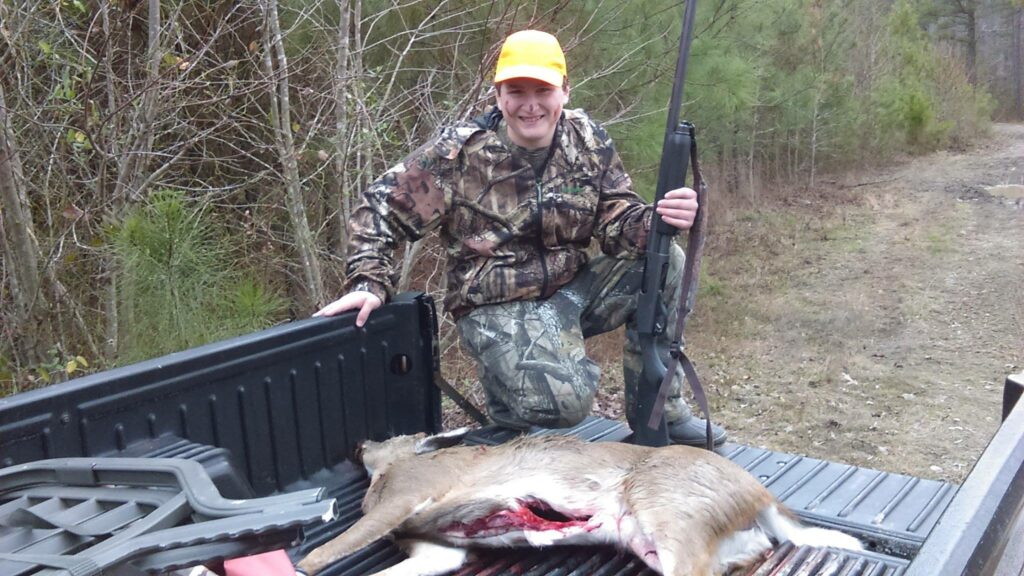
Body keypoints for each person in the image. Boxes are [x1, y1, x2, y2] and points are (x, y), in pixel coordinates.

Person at [315, 30, 726, 447]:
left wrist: (658, 220)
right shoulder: (459, 156)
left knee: (663, 261)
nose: (530, 105)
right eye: (517, 91)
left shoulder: (587, 140)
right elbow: (377, 211)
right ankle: (510, 408)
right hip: (495, 306)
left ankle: (660, 414)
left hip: (571, 293)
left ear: (564, 91)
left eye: (543, 90)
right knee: (567, 403)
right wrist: (368, 282)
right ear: (499, 96)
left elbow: (615, 218)